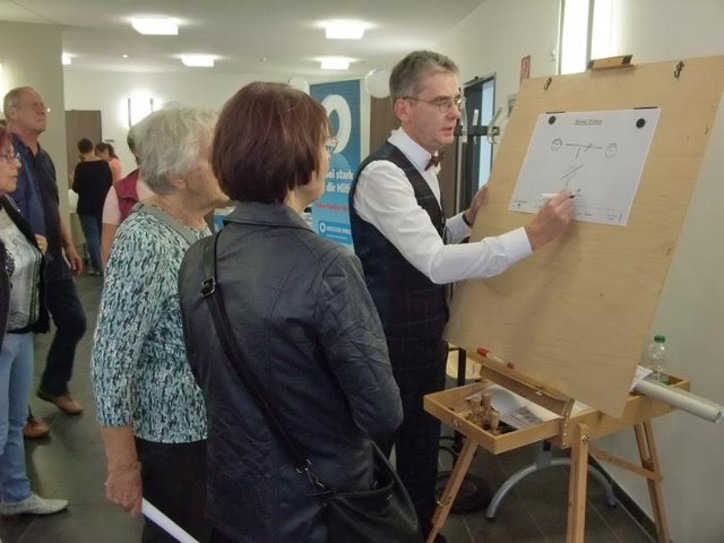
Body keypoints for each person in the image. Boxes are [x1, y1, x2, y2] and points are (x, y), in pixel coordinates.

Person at [349, 50, 575, 539]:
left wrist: (467, 221)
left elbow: (428, 241)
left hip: (425, 332)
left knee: (423, 441)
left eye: (457, 102)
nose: (455, 113)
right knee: (379, 447)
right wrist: (531, 237)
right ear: (404, 108)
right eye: (442, 102)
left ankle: (419, 531)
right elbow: (433, 262)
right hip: (390, 339)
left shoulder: (423, 167)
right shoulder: (383, 174)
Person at [178, 82, 404, 543]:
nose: (326, 155)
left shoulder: (198, 258)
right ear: (296, 155)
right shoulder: (329, 268)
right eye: (322, 143)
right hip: (317, 507)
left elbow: (208, 374)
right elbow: (382, 412)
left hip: (232, 495)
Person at [92, 106, 226, 543]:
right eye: (213, 154)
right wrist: (122, 466)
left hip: (204, 429)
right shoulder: (143, 239)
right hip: (174, 440)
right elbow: (111, 361)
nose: (226, 161)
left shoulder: (196, 224)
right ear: (179, 174)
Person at [4, 86, 86, 417]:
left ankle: (53, 384)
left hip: (51, 259)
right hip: (21, 264)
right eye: (35, 106)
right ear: (13, 113)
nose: (42, 110)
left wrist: (68, 243)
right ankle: (18, 412)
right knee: (17, 338)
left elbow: (52, 205)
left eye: (44, 106)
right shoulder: (9, 154)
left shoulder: (45, 156)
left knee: (75, 321)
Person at [0, 123, 68, 517]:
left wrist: (35, 245)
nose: (17, 165)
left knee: (13, 424)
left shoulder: (8, 206)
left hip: (19, 331)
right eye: (8, 157)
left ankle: (15, 494)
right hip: (3, 335)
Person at [99, 127, 154, 268]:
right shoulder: (119, 191)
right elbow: (107, 244)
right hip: (133, 273)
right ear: (136, 150)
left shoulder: (179, 186)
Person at [72, 138, 112, 275]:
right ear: (92, 148)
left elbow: (76, 188)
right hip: (103, 204)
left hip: (86, 206)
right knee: (103, 236)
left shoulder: (80, 167)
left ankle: (97, 267)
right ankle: (107, 263)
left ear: (80, 151)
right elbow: (109, 184)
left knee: (91, 237)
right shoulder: (104, 165)